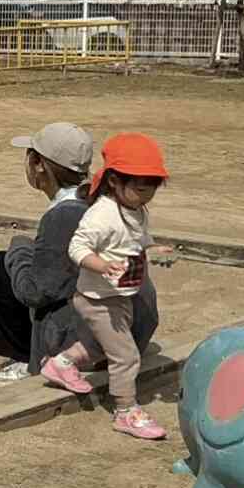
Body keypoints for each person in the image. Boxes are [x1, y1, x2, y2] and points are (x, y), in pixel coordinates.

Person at [0, 123, 159, 388]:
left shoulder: (64, 215)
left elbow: (34, 292)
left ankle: (27, 360)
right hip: (136, 328)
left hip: (99, 338)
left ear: (38, 163)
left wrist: (18, 247)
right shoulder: (100, 198)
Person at [43, 134, 174, 441]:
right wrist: (100, 265)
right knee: (126, 356)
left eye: (152, 187)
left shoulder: (136, 209)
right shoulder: (102, 214)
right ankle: (126, 411)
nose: (146, 194)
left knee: (100, 347)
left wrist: (153, 248)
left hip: (119, 295)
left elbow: (137, 240)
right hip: (98, 299)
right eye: (140, 186)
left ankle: (60, 364)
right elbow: (77, 247)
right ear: (114, 181)